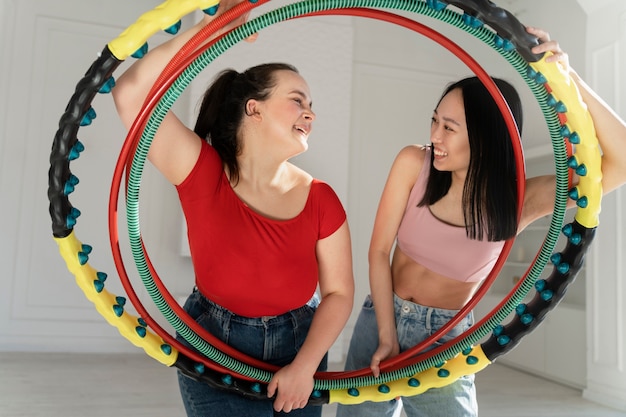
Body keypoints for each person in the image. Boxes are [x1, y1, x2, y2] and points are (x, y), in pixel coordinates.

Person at [336, 26, 626, 417]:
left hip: (446, 339)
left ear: (487, 138)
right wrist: (387, 337)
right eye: (435, 120)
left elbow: (620, 162)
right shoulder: (413, 163)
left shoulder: (519, 201)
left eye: (449, 128)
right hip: (382, 318)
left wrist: (568, 80)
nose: (435, 135)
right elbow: (378, 251)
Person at [112, 1, 354, 416]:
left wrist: (304, 367)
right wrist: (212, 28)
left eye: (311, 104)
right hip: (210, 344)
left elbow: (339, 293)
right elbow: (129, 93)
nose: (311, 113)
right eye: (298, 100)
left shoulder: (321, 198)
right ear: (253, 109)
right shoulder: (202, 171)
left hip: (296, 350)